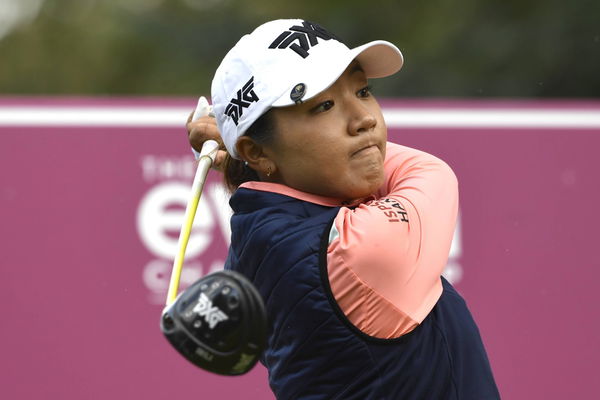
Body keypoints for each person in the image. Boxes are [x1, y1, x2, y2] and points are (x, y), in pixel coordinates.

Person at [187, 19, 500, 400]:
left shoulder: (257, 233)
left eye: (363, 90)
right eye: (324, 105)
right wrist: (235, 149)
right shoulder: (359, 248)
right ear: (258, 151)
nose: (364, 119)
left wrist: (240, 153)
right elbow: (431, 172)